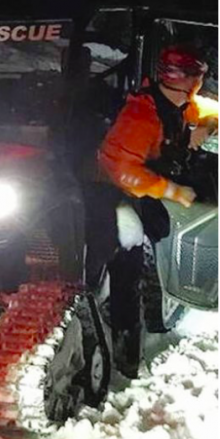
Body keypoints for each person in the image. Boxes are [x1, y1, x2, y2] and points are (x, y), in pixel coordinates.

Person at [95, 44, 217, 378]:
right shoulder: (142, 114)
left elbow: (209, 111)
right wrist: (172, 190)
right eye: (198, 76)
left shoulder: (180, 105)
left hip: (150, 190)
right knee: (128, 272)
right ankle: (126, 357)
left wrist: (206, 127)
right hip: (117, 200)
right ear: (190, 78)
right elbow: (120, 169)